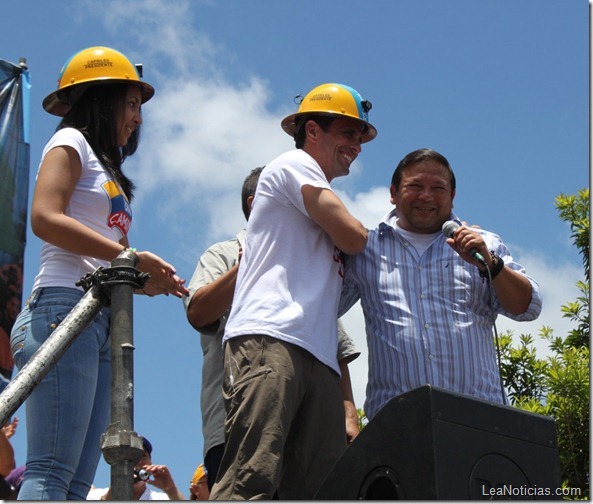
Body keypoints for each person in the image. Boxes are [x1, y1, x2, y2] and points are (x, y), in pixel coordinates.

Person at [9, 46, 189, 500]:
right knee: (51, 471)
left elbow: (113, 260)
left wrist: (148, 281)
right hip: (61, 307)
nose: (138, 119)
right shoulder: (68, 142)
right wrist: (130, 259)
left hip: (101, 320)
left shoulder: (105, 169)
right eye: (131, 103)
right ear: (100, 98)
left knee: (74, 485)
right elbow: (45, 217)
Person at [209, 83, 377, 500]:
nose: (356, 145)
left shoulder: (313, 191)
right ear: (312, 131)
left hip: (316, 355)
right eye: (348, 132)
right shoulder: (293, 164)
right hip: (271, 339)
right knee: (251, 480)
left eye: (360, 137)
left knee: (318, 492)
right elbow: (355, 237)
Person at [183, 168, 361, 491]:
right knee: (245, 489)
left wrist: (349, 413)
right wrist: (251, 263)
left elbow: (336, 348)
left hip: (306, 432)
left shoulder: (308, 261)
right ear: (257, 203)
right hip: (235, 424)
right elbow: (198, 312)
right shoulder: (220, 254)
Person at [339, 148, 543, 421]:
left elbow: (526, 308)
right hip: (396, 424)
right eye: (415, 186)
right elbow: (320, 313)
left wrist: (491, 264)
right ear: (393, 192)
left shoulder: (484, 244)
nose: (427, 196)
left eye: (438, 187)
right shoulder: (365, 248)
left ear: (452, 196)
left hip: (479, 423)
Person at [87, 437, 186, 500]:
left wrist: (171, 489)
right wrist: (113, 493)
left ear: (150, 463)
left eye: (143, 456)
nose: (137, 462)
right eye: (130, 456)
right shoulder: (94, 496)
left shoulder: (161, 499)